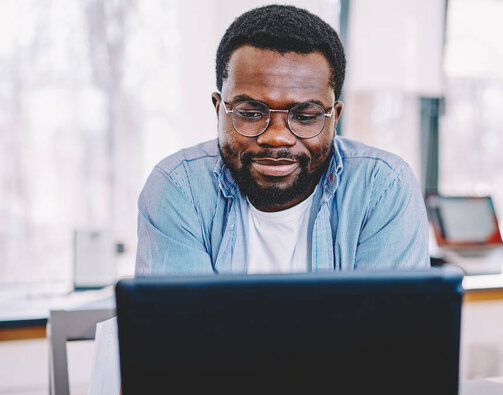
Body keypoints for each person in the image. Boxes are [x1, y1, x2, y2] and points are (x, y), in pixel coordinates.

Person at [135, 4, 429, 275]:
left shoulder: (382, 187)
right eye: (250, 113)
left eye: (304, 115)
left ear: (334, 118)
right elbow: (179, 329)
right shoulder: (178, 188)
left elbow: (390, 330)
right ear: (218, 110)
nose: (276, 137)